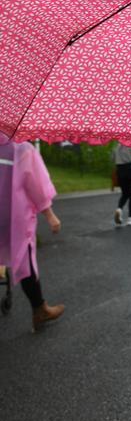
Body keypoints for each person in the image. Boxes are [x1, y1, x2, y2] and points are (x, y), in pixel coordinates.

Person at [0, 134, 65, 332]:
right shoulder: (22, 149)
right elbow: (36, 186)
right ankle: (39, 309)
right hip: (13, 219)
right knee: (24, 259)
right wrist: (50, 215)